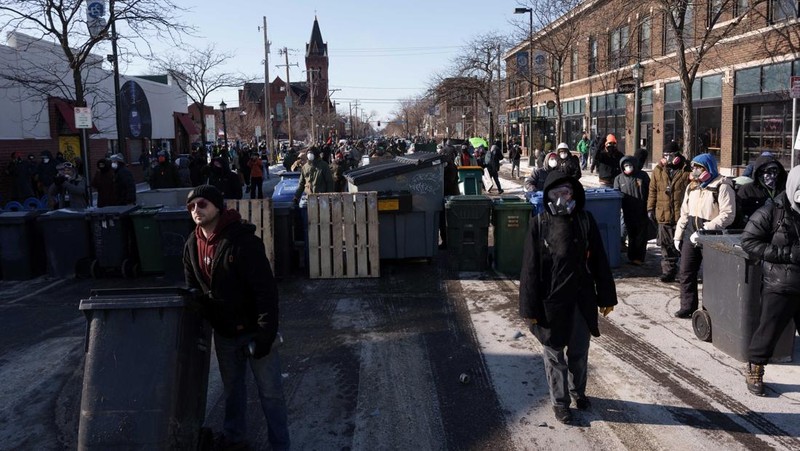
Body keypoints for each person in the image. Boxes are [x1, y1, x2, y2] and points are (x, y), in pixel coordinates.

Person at [182, 185, 290, 449]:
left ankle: (280, 444)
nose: (197, 210)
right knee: (233, 391)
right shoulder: (191, 244)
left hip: (255, 330)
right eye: (192, 206)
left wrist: (266, 333)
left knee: (271, 394)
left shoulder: (242, 241)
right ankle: (234, 439)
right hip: (226, 334)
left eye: (203, 204)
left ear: (218, 207)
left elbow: (265, 290)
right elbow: (193, 291)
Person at [519, 171, 617, 425]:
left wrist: (606, 295)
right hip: (550, 302)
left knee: (579, 353)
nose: (562, 198)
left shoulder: (585, 220)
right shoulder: (539, 224)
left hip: (581, 299)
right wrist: (529, 307)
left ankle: (578, 392)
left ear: (574, 195)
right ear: (548, 196)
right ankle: (560, 403)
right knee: (553, 354)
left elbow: (599, 260)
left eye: (566, 193)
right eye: (556, 193)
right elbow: (530, 269)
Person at [740, 165, 800, 396]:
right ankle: (755, 366)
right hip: (781, 283)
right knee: (769, 330)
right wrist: (787, 254)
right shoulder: (772, 211)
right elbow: (749, 241)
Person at [673, 153, 736, 318]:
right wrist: (678, 235)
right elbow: (684, 213)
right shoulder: (692, 186)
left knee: (710, 276)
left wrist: (706, 228)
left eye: (698, 167)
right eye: (693, 167)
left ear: (708, 168)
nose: (694, 171)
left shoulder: (722, 186)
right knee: (686, 272)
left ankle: (710, 311)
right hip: (690, 234)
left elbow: (728, 214)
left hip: (711, 234)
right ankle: (687, 306)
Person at [647, 142, 691, 282]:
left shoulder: (687, 169)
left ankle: (683, 272)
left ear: (677, 155)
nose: (668, 158)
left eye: (670, 155)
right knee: (666, 246)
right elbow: (652, 191)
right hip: (663, 213)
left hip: (681, 214)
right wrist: (650, 208)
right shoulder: (658, 170)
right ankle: (668, 272)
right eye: (665, 155)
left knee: (683, 245)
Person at [614, 155, 651, 265]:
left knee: (641, 235)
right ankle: (631, 256)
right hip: (628, 211)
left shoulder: (642, 176)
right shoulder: (619, 179)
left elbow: (650, 191)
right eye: (625, 166)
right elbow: (616, 194)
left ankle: (639, 257)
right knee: (631, 234)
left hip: (641, 209)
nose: (628, 167)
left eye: (630, 165)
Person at [736, 154, 786, 226]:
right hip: (754, 230)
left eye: (775, 172)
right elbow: (739, 216)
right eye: (769, 172)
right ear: (759, 173)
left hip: (779, 231)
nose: (772, 176)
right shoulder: (747, 190)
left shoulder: (783, 189)